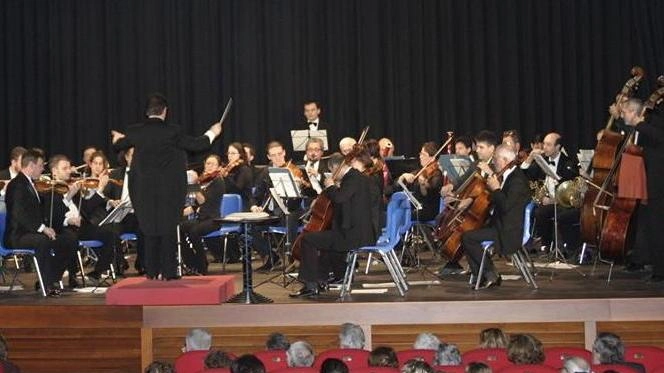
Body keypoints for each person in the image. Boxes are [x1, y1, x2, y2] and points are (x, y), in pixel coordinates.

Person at [111, 93, 222, 280]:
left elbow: (119, 145)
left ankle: (152, 272)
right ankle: (169, 272)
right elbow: (197, 144)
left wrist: (117, 138)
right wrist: (213, 132)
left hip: (142, 191)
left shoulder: (135, 131)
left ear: (147, 113)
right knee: (168, 228)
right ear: (165, 111)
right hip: (169, 191)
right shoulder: (173, 131)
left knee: (149, 229)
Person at [289, 151, 376, 297]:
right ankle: (321, 279)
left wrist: (330, 186)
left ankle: (310, 285)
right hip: (356, 231)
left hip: (354, 235)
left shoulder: (352, 178)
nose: (331, 174)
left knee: (308, 240)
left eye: (331, 171)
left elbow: (340, 198)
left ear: (336, 167)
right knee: (323, 239)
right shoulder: (355, 177)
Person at [3, 150, 78, 296]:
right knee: (43, 241)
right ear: (30, 166)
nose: (43, 169)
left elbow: (44, 211)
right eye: (40, 166)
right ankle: (48, 285)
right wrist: (42, 228)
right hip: (17, 236)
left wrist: (67, 198)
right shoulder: (16, 185)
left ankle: (52, 278)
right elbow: (20, 214)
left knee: (69, 239)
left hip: (31, 233)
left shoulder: (33, 184)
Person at [461, 145, 531, 289]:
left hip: (508, 231)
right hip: (500, 225)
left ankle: (489, 273)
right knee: (468, 232)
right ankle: (481, 275)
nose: (494, 162)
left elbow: (505, 206)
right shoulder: (509, 176)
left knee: (468, 237)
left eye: (497, 159)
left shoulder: (517, 181)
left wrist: (496, 189)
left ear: (505, 160)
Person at [44, 154, 116, 287]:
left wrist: (98, 190)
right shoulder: (48, 189)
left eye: (68, 168)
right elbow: (52, 216)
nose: (69, 171)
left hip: (81, 226)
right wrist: (69, 219)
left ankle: (97, 272)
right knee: (71, 239)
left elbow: (87, 208)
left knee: (109, 232)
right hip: (63, 227)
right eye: (64, 168)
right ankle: (62, 276)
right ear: (54, 171)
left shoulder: (73, 186)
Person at [438, 130, 498, 276]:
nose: (477, 150)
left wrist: (470, 199)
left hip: (489, 213)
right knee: (446, 222)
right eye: (477, 147)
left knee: (467, 233)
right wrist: (451, 189)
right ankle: (469, 267)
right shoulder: (476, 164)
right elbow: (464, 181)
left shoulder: (496, 165)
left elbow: (490, 190)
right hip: (475, 211)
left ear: (492, 149)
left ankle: (483, 270)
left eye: (481, 147)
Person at [620, 98, 664, 282]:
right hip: (644, 183)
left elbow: (660, 138)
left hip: (657, 183)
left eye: (624, 112)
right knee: (648, 226)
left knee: (657, 226)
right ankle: (649, 262)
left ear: (632, 111)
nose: (621, 115)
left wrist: (640, 123)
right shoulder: (639, 128)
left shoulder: (652, 122)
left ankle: (661, 271)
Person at [250, 141, 307, 271]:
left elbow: (303, 197)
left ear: (284, 153)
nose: (277, 158)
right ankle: (272, 256)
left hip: (293, 210)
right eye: (273, 155)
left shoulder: (294, 170)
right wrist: (254, 206)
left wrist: (298, 186)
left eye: (279, 154)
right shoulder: (265, 172)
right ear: (268, 157)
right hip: (274, 213)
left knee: (291, 218)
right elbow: (255, 196)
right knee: (249, 227)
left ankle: (294, 259)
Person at [520, 132, 580, 256]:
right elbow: (523, 175)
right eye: (544, 144)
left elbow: (571, 190)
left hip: (562, 202)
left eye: (548, 145)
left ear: (557, 147)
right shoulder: (542, 161)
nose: (544, 148)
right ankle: (546, 245)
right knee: (540, 212)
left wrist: (554, 200)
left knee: (562, 215)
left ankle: (569, 248)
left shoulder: (569, 163)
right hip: (546, 201)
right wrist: (530, 158)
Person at [179, 154, 226, 275]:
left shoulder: (218, 181)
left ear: (219, 167)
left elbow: (203, 200)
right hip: (201, 218)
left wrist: (194, 185)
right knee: (178, 228)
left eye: (213, 164)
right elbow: (195, 204)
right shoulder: (203, 180)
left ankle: (202, 264)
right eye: (208, 163)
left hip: (213, 219)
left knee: (194, 231)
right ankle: (191, 262)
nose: (209, 166)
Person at [103, 147, 145, 275]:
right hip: (120, 215)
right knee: (111, 231)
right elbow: (104, 195)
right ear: (126, 157)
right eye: (133, 155)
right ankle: (120, 263)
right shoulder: (115, 174)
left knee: (146, 229)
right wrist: (111, 201)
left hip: (139, 215)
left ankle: (143, 264)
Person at [224, 142, 254, 210]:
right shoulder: (229, 168)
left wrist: (226, 177)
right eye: (228, 153)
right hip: (229, 202)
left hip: (242, 204)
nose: (230, 156)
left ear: (240, 155)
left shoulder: (245, 169)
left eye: (233, 153)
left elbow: (237, 189)